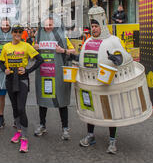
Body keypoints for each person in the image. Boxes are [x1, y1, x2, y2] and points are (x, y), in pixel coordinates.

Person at [0, 24, 44, 153]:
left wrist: (28, 70)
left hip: (22, 79)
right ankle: (18, 131)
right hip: (10, 79)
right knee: (14, 107)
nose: (17, 34)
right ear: (12, 33)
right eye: (15, 31)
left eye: (20, 32)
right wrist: (5, 70)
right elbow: (1, 63)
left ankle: (24, 137)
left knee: (21, 108)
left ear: (22, 33)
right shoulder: (7, 47)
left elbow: (40, 60)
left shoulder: (26, 46)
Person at [33, 17, 75, 140]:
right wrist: (33, 49)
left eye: (50, 24)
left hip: (58, 74)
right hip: (44, 73)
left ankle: (65, 128)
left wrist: (63, 50)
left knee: (61, 101)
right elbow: (30, 54)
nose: (48, 27)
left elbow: (73, 51)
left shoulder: (62, 37)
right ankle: (42, 125)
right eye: (46, 25)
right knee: (43, 100)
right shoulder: (38, 37)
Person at [79, 19, 117, 154]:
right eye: (92, 26)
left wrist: (117, 59)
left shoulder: (113, 40)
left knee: (110, 110)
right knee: (91, 109)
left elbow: (125, 56)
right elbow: (81, 57)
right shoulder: (88, 41)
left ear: (102, 27)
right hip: (90, 81)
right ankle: (90, 135)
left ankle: (112, 140)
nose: (94, 29)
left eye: (96, 26)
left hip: (107, 82)